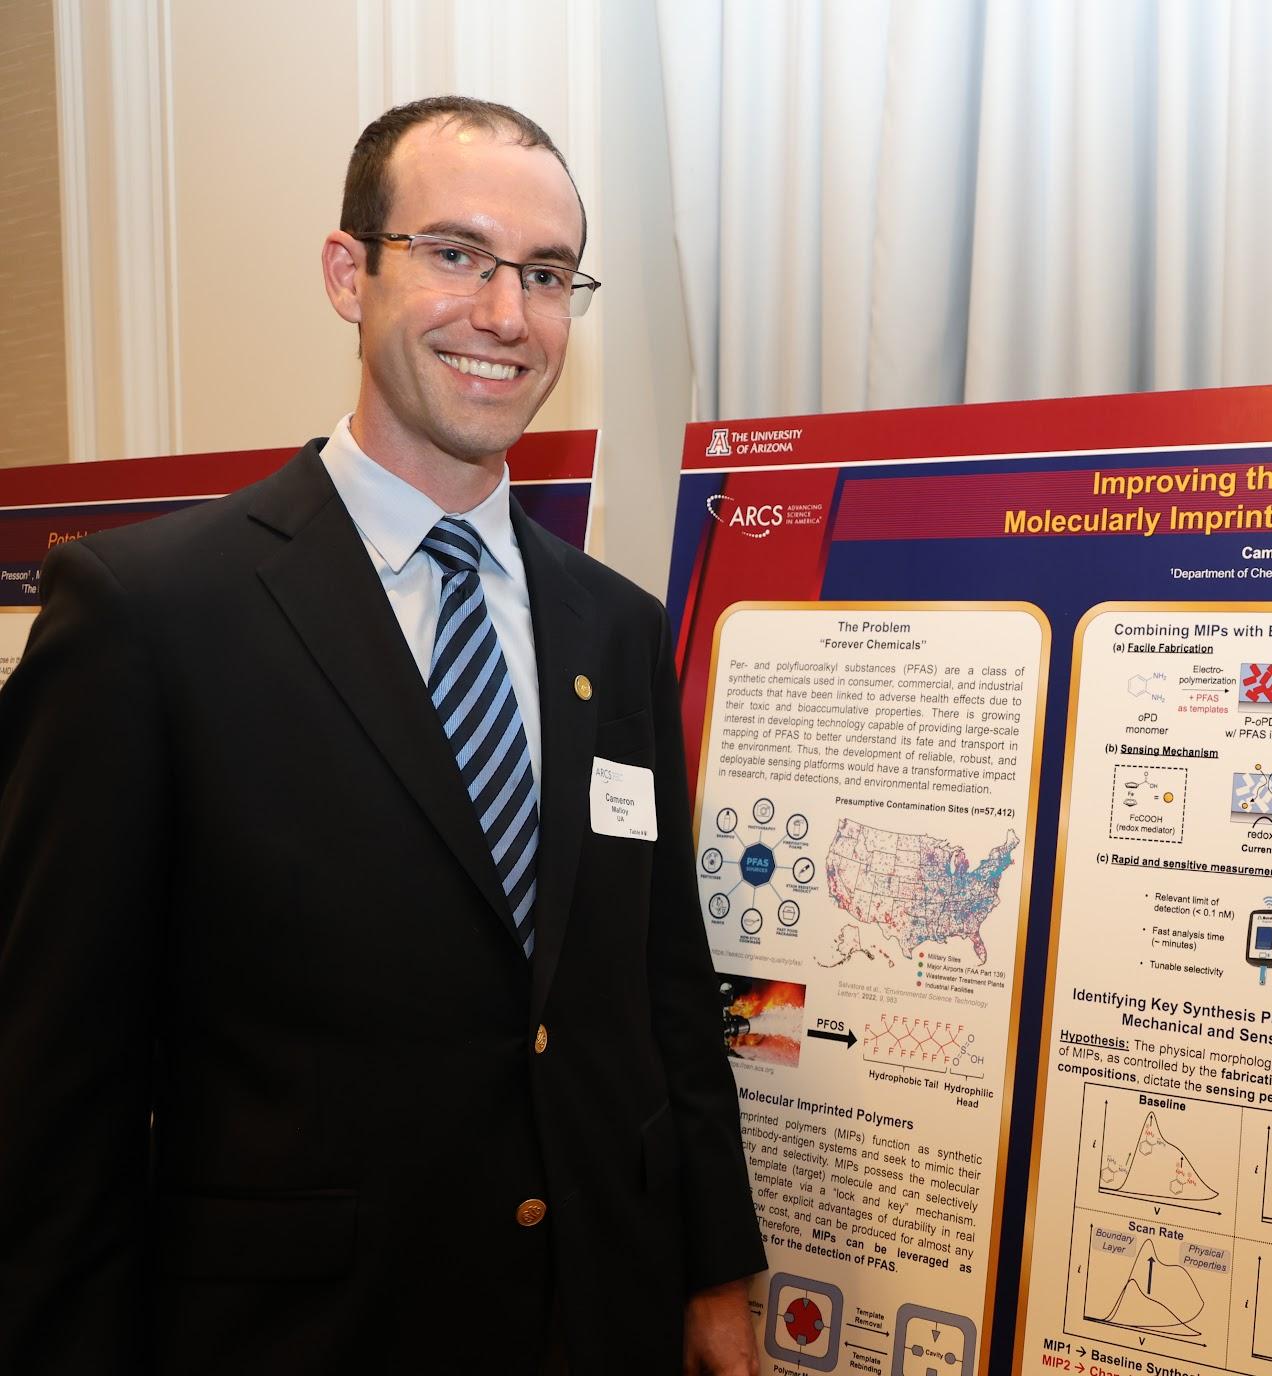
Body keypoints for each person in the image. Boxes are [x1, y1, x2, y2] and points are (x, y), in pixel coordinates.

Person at [0, 96, 765, 1374]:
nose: (507, 315)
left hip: (596, 1314)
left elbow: (663, 987)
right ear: (348, 274)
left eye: (547, 274)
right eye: (457, 254)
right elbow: (49, 1083)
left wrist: (711, 1271)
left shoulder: (616, 626)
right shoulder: (150, 614)